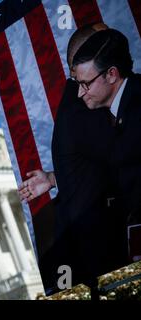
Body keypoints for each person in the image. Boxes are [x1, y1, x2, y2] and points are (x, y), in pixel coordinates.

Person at [18, 24, 125, 290]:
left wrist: (54, 178)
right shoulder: (87, 106)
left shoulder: (76, 105)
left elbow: (89, 166)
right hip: (105, 252)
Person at [72, 28, 141, 264]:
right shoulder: (120, 110)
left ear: (111, 74)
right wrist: (52, 179)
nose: (80, 93)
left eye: (85, 83)